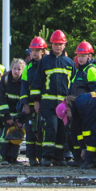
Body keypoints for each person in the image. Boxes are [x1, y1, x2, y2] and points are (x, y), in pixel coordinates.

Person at [28, 31, 73, 166]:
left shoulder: (69, 63)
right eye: (55, 44)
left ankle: (59, 158)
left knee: (61, 130)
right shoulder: (44, 62)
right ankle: (47, 156)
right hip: (48, 102)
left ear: (64, 44)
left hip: (64, 104)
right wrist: (36, 101)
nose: (58, 47)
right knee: (50, 128)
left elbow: (74, 84)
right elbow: (37, 82)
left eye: (60, 44)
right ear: (51, 45)